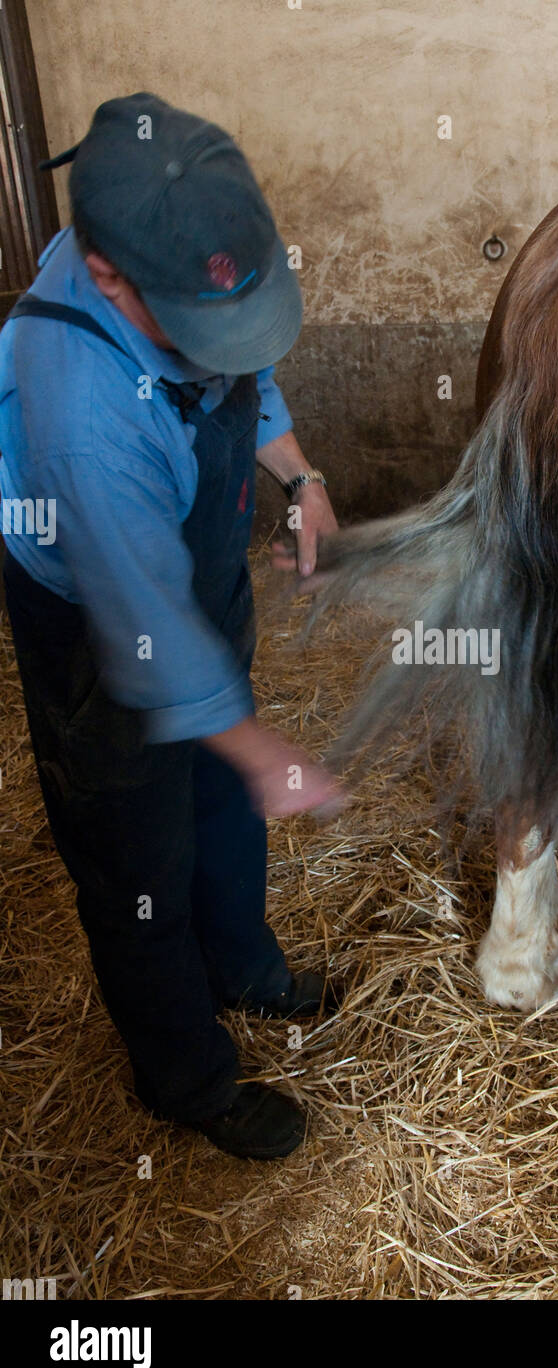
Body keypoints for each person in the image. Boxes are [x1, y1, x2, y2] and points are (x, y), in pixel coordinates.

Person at [0, 92, 342, 1159]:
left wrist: (301, 479)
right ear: (107, 276)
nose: (224, 341)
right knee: (135, 857)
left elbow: (244, 358)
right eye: (199, 323)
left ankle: (244, 967)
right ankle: (186, 1078)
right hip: (98, 622)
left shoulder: (178, 247)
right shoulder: (80, 406)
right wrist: (267, 751)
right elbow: (145, 628)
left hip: (194, 565)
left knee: (221, 800)